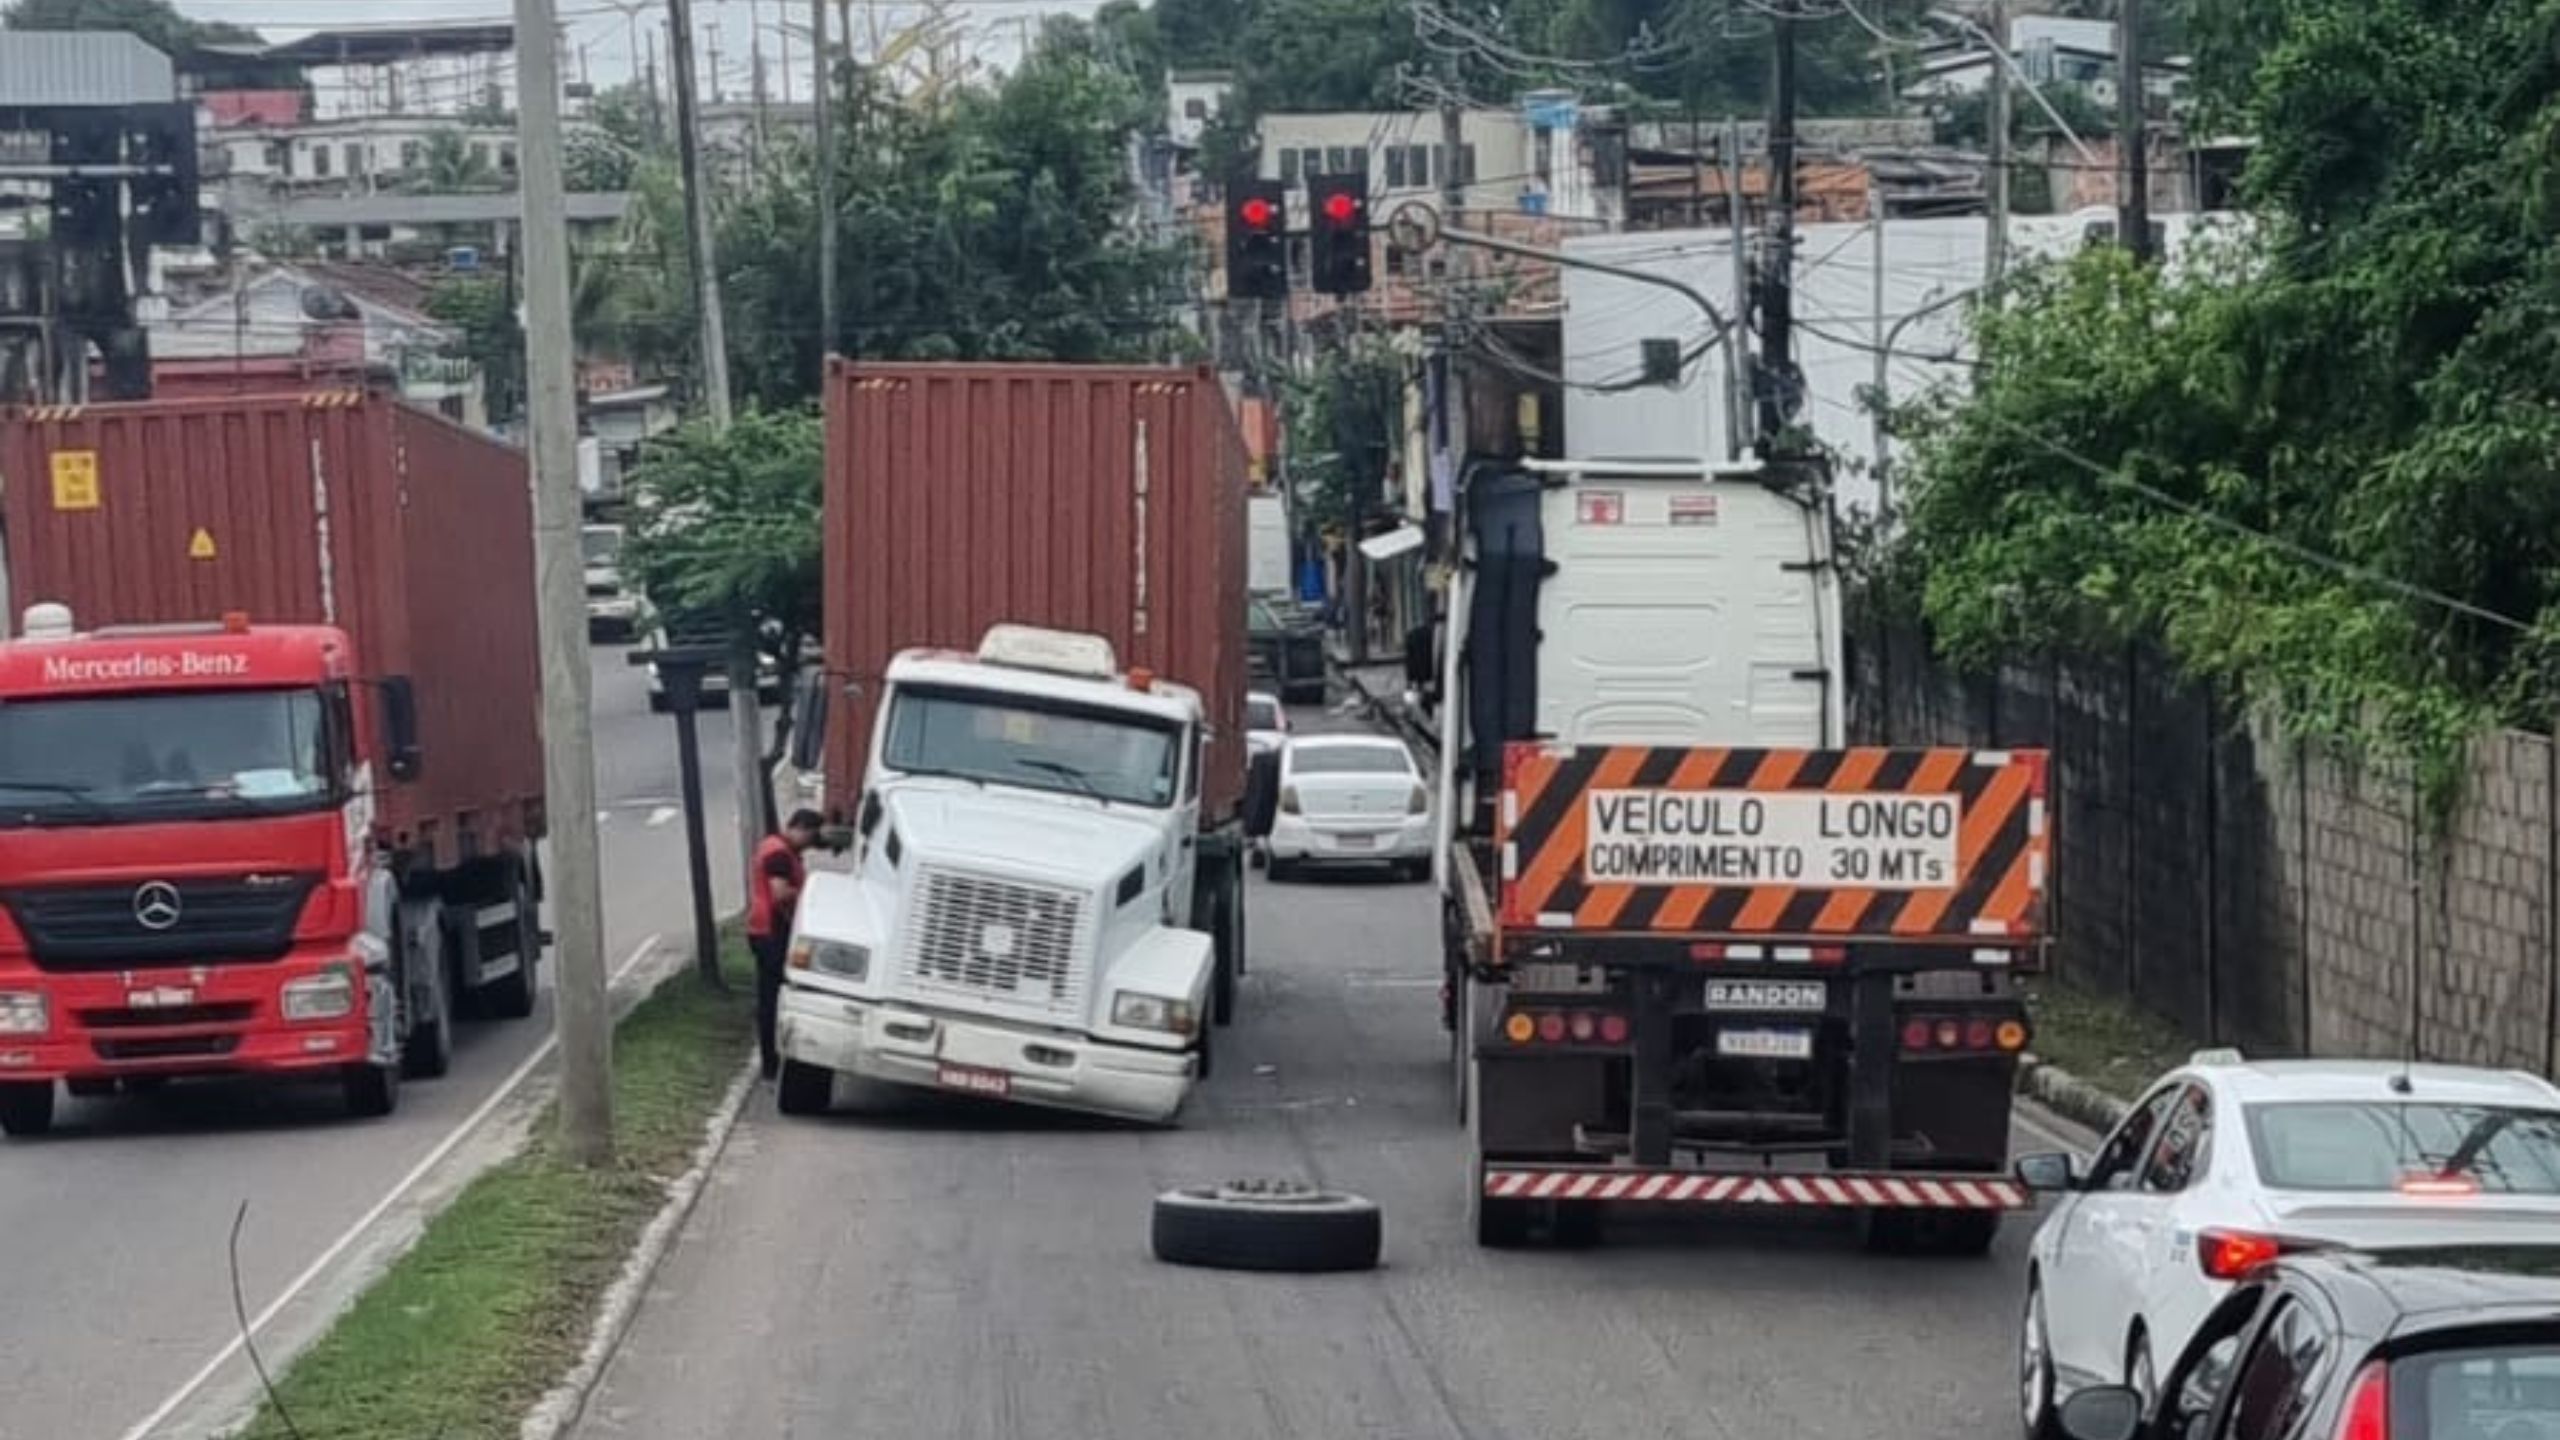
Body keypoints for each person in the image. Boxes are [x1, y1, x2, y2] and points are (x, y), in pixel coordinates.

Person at [748, 809, 824, 1080]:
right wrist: (809, 894)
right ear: (800, 828)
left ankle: (772, 1059)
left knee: (771, 996)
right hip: (772, 932)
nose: (809, 844)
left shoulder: (773, 846)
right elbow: (779, 894)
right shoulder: (780, 854)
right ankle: (772, 1062)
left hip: (763, 929)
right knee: (773, 999)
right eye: (810, 837)